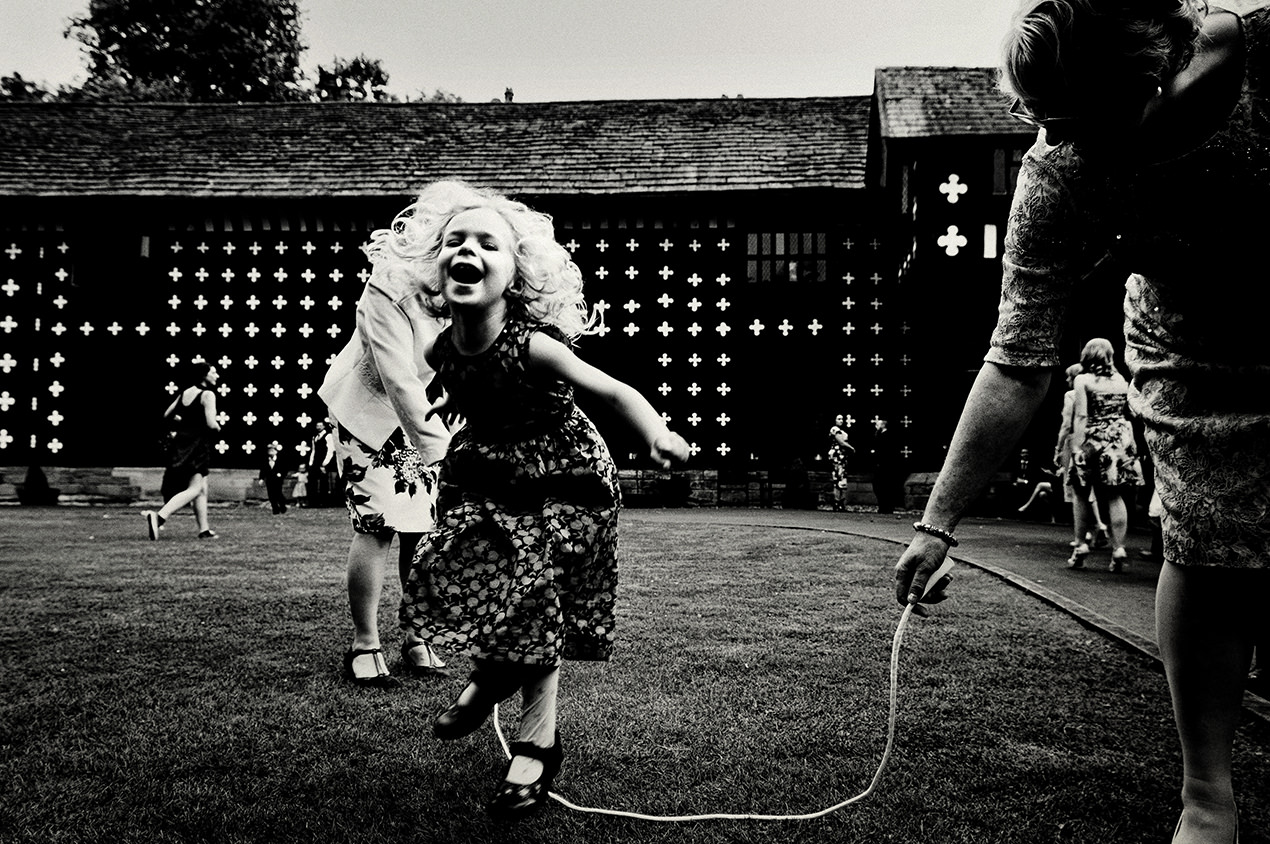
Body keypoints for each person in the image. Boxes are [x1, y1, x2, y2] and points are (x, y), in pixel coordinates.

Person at [896, 2, 1269, 841]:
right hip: (1192, 351)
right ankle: (1207, 796)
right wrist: (938, 524)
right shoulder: (1059, 172)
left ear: (1149, 82)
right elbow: (1017, 356)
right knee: (1207, 540)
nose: (1049, 140)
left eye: (1065, 119)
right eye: (1035, 118)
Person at [391, 180, 690, 818]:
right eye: (454, 241)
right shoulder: (439, 345)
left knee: (533, 598)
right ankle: (494, 677)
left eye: (487, 244)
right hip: (486, 475)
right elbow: (463, 384)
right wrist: (452, 400)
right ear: (434, 264)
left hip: (564, 480)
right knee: (460, 572)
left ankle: (532, 741)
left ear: (515, 274)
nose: (467, 251)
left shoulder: (533, 343)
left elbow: (610, 390)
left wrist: (657, 432)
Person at [318, 213, 454, 688]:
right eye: (453, 239)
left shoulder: (471, 285)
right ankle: (364, 644)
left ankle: (416, 637)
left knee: (423, 530)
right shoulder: (388, 284)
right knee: (377, 525)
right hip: (369, 414)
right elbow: (396, 375)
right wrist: (442, 453)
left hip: (428, 413)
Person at [1067, 338, 1144, 571]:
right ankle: (1119, 548)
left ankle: (1080, 545)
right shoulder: (1121, 380)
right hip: (1119, 440)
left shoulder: (1082, 380)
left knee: (1081, 492)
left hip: (1093, 438)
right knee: (1114, 495)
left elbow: (1081, 416)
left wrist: (1077, 448)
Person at [143, 358, 222, 540]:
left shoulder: (184, 393)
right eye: (213, 372)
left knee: (201, 489)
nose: (216, 375)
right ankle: (159, 517)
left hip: (181, 444)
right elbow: (211, 424)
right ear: (204, 375)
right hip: (197, 446)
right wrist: (218, 427)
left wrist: (184, 423)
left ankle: (204, 530)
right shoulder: (208, 395)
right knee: (195, 488)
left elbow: (167, 415)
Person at [869, 417, 904, 514]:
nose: (876, 426)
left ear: (883, 425)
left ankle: (886, 507)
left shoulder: (885, 436)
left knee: (883, 487)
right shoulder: (881, 435)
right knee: (881, 487)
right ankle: (884, 507)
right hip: (882, 466)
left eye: (878, 424)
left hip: (884, 466)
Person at [827, 413, 856, 511]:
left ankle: (841, 502)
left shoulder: (842, 431)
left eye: (842, 419)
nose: (841, 420)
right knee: (837, 479)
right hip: (837, 457)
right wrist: (851, 448)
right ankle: (836, 502)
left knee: (842, 480)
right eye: (839, 419)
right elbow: (841, 442)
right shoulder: (834, 429)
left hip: (843, 458)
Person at [307, 420, 337, 507]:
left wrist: (324, 463)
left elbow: (330, 450)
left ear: (324, 426)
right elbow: (313, 450)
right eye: (317, 425)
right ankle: (313, 502)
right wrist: (311, 462)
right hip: (315, 462)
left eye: (320, 425)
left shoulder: (328, 436)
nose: (318, 427)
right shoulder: (315, 437)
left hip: (324, 462)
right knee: (312, 481)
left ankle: (324, 502)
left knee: (324, 483)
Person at [259, 442, 288, 515]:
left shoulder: (281, 460)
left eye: (272, 450)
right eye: (269, 451)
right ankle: (275, 509)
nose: (270, 452)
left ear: (276, 452)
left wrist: (281, 475)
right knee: (271, 495)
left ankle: (282, 506)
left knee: (278, 494)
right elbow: (263, 470)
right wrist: (261, 478)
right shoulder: (266, 460)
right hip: (269, 480)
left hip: (278, 480)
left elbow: (285, 469)